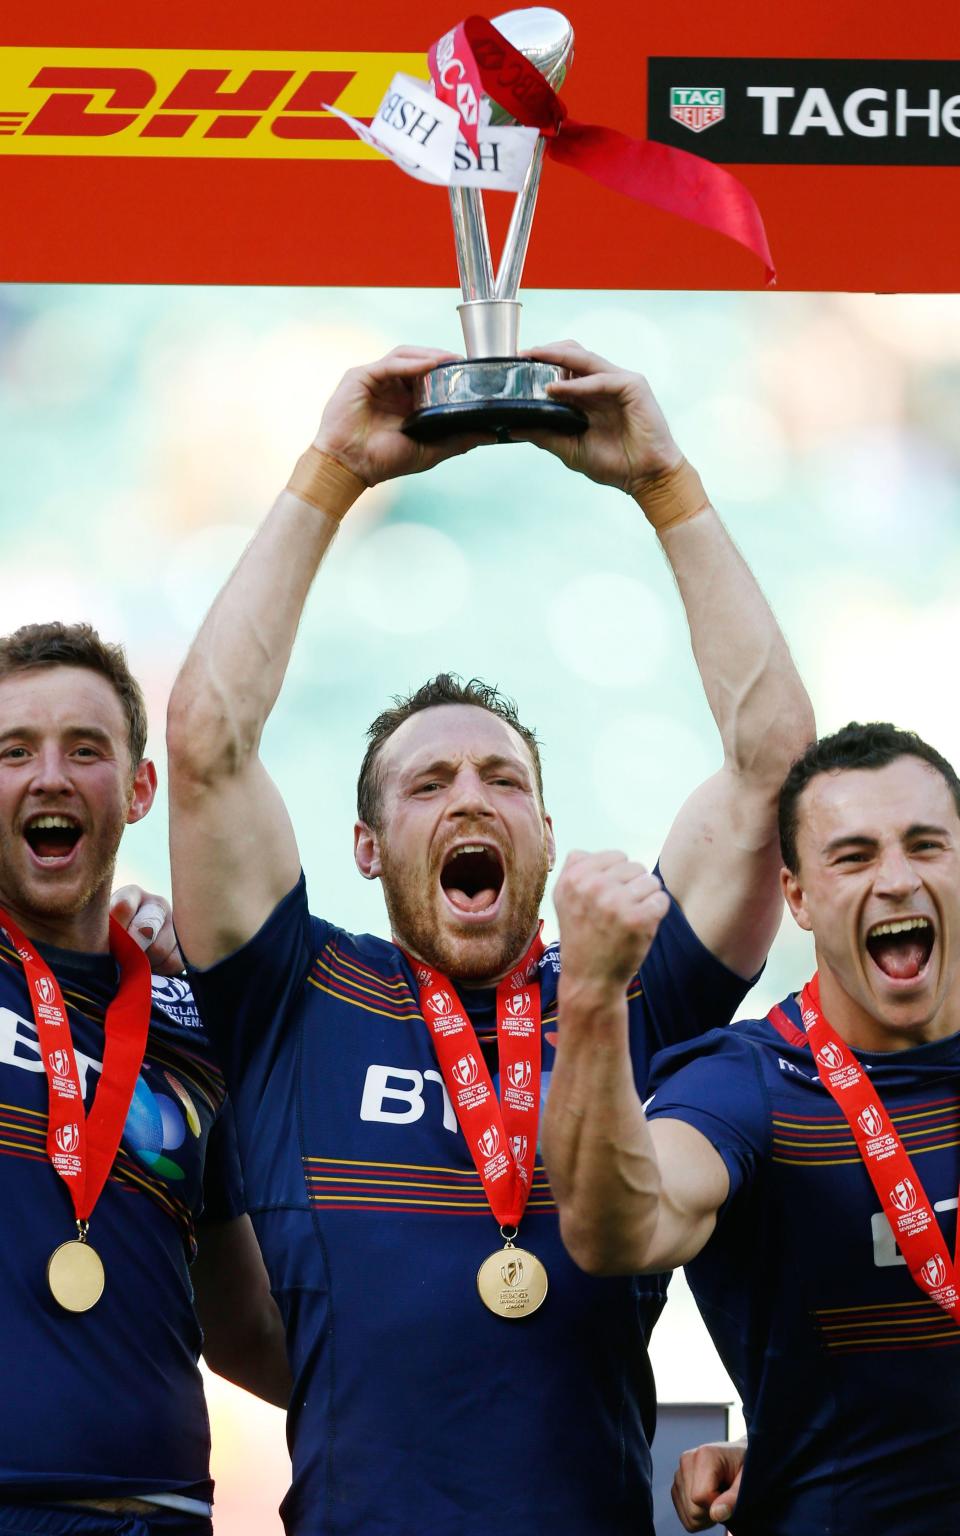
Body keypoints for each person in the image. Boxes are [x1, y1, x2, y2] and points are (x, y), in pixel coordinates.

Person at [165, 341, 814, 1536]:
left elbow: (777, 768)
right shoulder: (295, 995)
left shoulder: (626, 998)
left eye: (501, 779)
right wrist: (332, 475)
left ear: (547, 831)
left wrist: (665, 486)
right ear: (366, 848)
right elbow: (206, 741)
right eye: (426, 785)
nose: (469, 798)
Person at [545, 720, 960, 1535]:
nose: (899, 879)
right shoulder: (749, 1084)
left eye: (926, 845)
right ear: (797, 897)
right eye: (854, 855)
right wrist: (592, 999)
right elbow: (618, 1229)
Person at [0, 621, 290, 1536]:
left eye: (85, 750)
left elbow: (245, 1324)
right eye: (14, 751)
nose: (51, 776)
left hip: (159, 1512)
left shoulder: (190, 1020)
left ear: (138, 789)